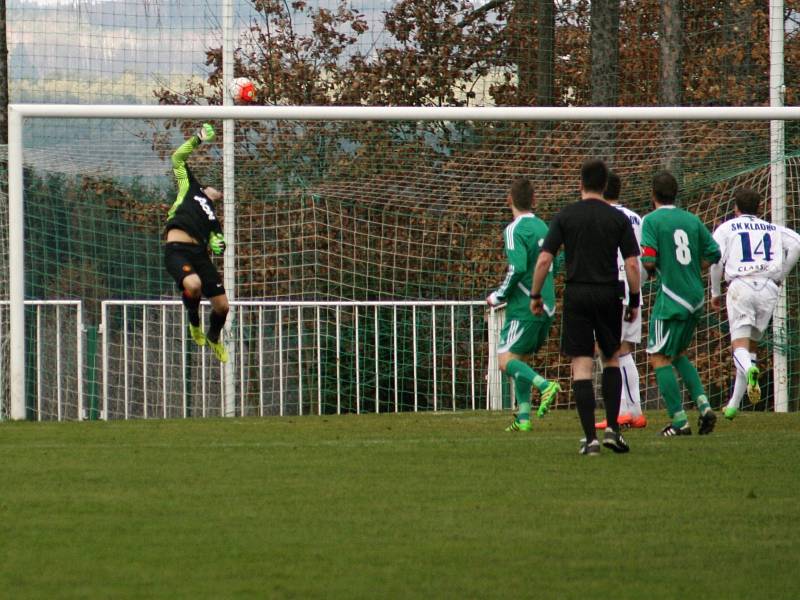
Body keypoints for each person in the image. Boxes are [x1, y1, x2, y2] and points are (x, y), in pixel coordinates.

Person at [530, 159, 641, 455]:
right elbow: (632, 263)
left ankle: (591, 439)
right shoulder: (617, 219)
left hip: (577, 293)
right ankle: (614, 432)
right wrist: (635, 299)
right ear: (604, 186)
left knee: (581, 364)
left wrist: (535, 294)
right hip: (609, 294)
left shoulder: (566, 215)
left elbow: (544, 260)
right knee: (611, 359)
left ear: (580, 183)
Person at [640, 171, 720, 436]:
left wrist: (650, 269)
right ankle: (704, 405)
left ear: (653, 195)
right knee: (677, 354)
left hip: (672, 299)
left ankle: (679, 421)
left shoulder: (651, 220)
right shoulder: (692, 219)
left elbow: (649, 260)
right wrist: (694, 270)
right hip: (696, 296)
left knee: (658, 357)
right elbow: (714, 253)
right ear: (676, 194)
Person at [709, 187, 800, 420]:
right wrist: (781, 275)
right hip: (768, 288)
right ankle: (733, 406)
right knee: (750, 348)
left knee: (739, 346)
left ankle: (750, 371)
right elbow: (797, 244)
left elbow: (716, 261)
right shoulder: (772, 228)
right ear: (759, 208)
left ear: (736, 208)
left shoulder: (727, 227)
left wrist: (715, 292)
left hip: (742, 286)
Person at [487, 178, 561, 432]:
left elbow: (517, 267)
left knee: (506, 361)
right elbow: (556, 262)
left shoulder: (513, 229)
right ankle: (524, 418)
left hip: (525, 306)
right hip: (547, 305)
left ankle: (544, 385)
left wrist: (499, 295)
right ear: (534, 200)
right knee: (520, 358)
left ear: (509, 199)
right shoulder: (543, 226)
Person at [164, 123, 230, 363]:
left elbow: (217, 241)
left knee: (223, 307)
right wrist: (198, 138)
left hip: (199, 255)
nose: (219, 192)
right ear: (206, 187)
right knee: (193, 285)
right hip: (177, 249)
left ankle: (214, 337)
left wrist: (218, 244)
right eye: (216, 188)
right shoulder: (189, 186)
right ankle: (193, 322)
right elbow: (177, 158)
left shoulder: (212, 216)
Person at [595, 171, 648, 430]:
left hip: (611, 286)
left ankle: (626, 410)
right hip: (632, 286)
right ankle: (633, 409)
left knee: (612, 352)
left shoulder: (602, 217)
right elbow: (642, 258)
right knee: (623, 349)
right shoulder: (637, 218)